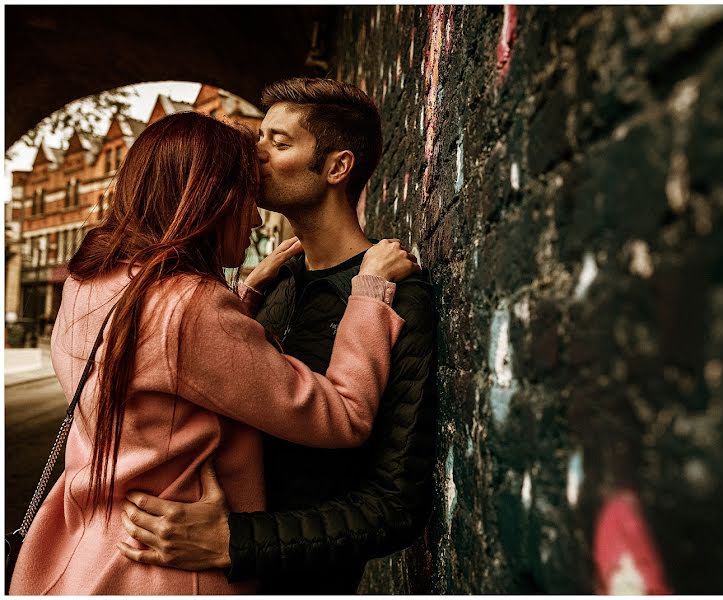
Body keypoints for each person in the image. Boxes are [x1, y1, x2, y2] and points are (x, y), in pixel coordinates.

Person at [8, 111, 420, 595]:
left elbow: (168, 369)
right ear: (212, 201)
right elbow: (344, 416)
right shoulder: (189, 309)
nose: (253, 216)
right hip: (164, 572)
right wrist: (369, 292)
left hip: (80, 554)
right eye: (247, 199)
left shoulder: (89, 280)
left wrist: (241, 299)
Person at [118, 78, 438, 593]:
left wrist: (237, 541)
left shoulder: (396, 297)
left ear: (337, 167)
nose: (255, 153)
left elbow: (394, 505)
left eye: (279, 143)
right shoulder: (275, 287)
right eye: (260, 136)